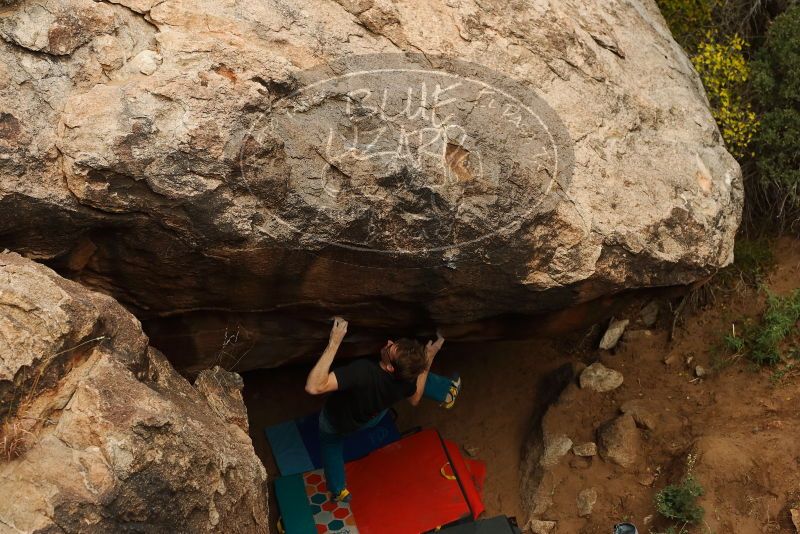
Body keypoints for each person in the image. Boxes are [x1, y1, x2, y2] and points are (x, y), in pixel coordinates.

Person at [304, 317, 461, 502]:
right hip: (372, 417)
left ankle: (339, 489)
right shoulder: (406, 383)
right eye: (392, 344)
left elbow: (314, 387)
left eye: (389, 348)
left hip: (336, 421)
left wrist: (334, 342)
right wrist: (428, 358)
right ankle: (446, 391)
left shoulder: (363, 372)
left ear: (388, 366)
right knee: (412, 371)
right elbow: (415, 398)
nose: (388, 343)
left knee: (331, 445)